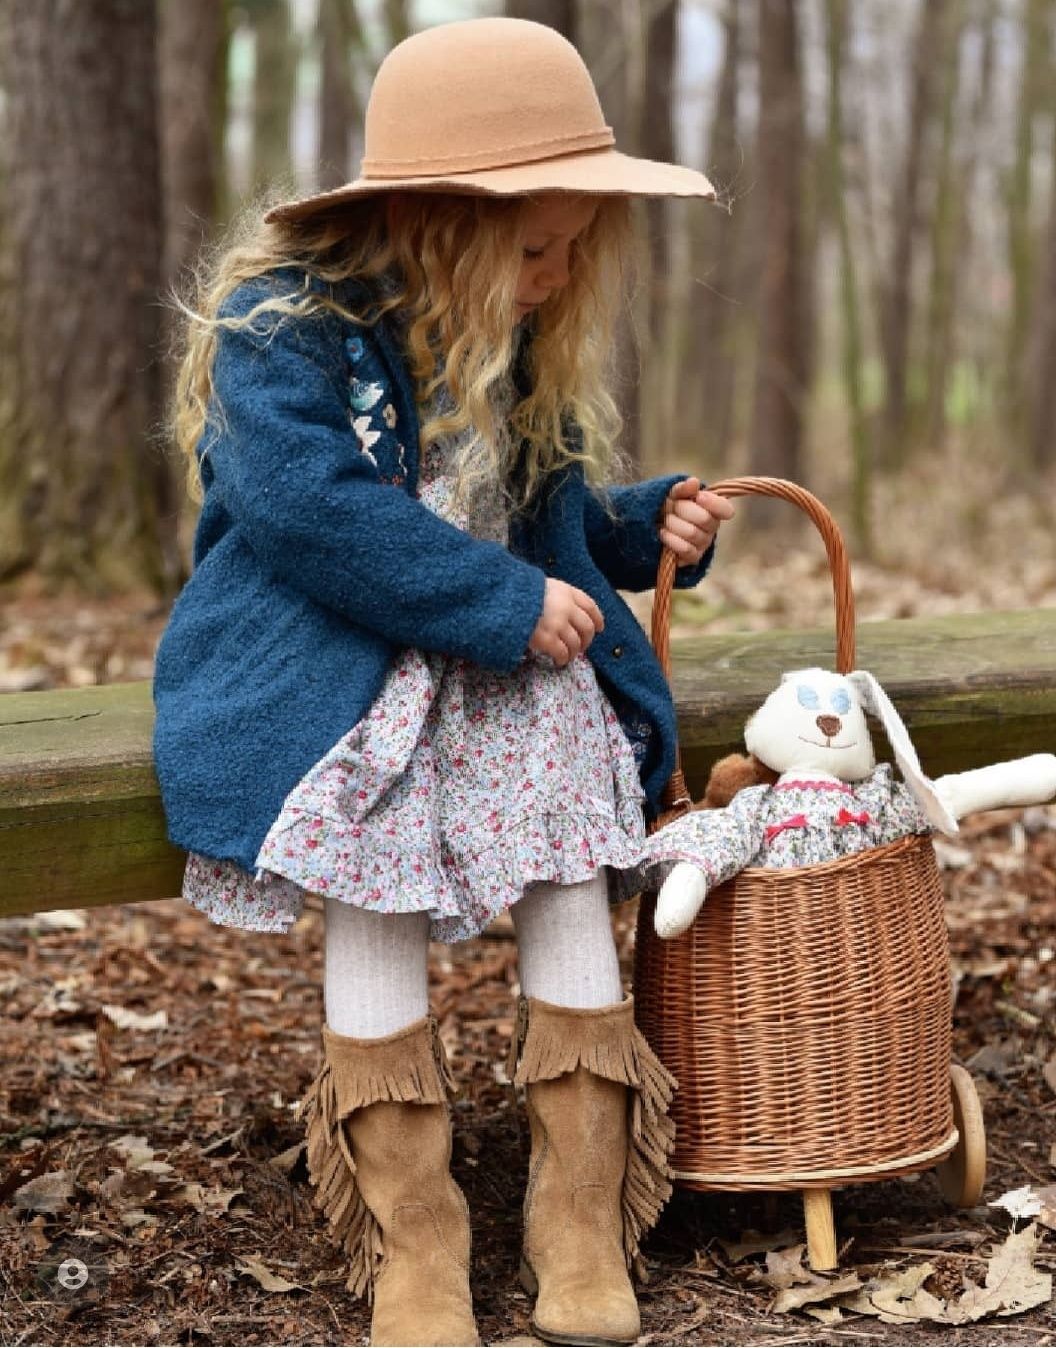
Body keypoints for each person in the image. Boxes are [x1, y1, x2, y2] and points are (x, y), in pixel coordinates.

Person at [153, 16, 733, 1348]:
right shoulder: (280, 329)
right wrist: (496, 601)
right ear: (431, 223)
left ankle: (577, 1217)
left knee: (568, 856)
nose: (557, 272)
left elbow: (532, 508)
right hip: (336, 671)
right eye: (535, 247)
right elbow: (306, 508)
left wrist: (640, 527)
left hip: (502, 662)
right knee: (376, 873)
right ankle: (416, 1237)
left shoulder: (504, 337)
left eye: (575, 246)